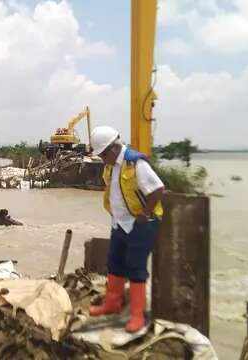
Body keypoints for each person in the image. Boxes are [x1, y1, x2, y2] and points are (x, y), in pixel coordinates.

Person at [88, 125, 165, 333]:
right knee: (114, 261)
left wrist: (146, 214)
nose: (102, 159)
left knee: (136, 266)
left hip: (141, 223)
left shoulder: (135, 163)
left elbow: (158, 189)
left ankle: (137, 316)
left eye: (103, 154)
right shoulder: (111, 166)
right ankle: (112, 304)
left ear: (114, 148)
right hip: (120, 222)